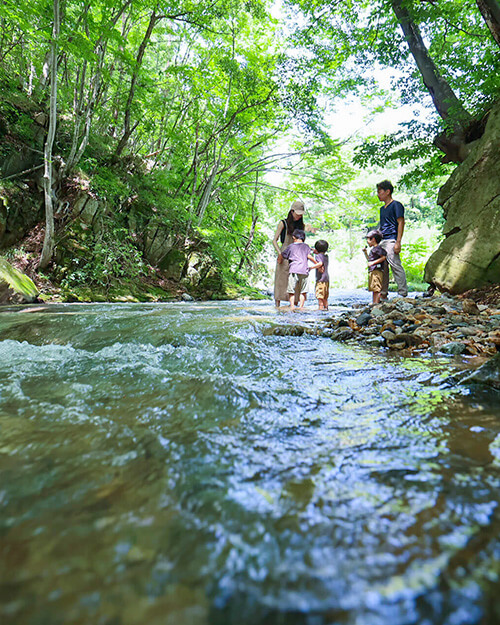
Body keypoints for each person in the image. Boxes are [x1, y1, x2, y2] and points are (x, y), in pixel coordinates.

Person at [376, 180, 408, 298]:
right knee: (383, 267)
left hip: (391, 239)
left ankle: (402, 293)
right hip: (382, 240)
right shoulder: (382, 209)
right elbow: (383, 225)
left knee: (395, 265)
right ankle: (383, 294)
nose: (378, 194)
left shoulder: (396, 205)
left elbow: (401, 222)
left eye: (380, 192)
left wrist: (398, 242)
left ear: (387, 191)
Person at [273, 200, 306, 307]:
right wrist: (279, 253)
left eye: (301, 215)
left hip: (297, 255)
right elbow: (274, 240)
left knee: (296, 279)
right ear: (292, 212)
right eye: (297, 214)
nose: (299, 216)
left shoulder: (302, 226)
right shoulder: (283, 223)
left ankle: (294, 304)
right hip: (284, 253)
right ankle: (277, 305)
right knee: (280, 279)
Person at [279, 229, 318, 311]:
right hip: (304, 270)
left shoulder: (291, 246)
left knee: (291, 290)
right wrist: (317, 263)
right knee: (303, 291)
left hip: (293, 270)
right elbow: (309, 257)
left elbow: (283, 255)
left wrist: (279, 260)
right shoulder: (306, 246)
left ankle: (292, 305)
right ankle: (301, 306)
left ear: (293, 237)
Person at [363, 230, 387, 304]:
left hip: (377, 270)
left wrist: (373, 263)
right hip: (373, 270)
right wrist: (365, 253)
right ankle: (374, 302)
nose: (367, 241)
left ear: (373, 239)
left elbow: (383, 257)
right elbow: (369, 260)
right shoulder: (373, 250)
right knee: (374, 288)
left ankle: (376, 302)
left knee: (376, 287)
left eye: (368, 239)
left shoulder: (378, 249)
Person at [313, 240, 329, 310]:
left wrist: (311, 267)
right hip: (326, 279)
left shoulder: (318, 256)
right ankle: (326, 308)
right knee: (325, 297)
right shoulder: (326, 256)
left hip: (320, 279)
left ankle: (320, 309)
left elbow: (320, 263)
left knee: (320, 297)